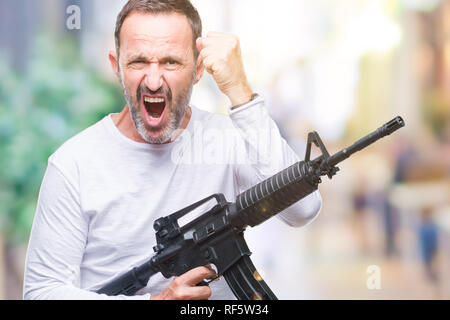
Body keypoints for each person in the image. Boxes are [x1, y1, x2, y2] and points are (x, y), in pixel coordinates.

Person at [23, 0, 322, 300]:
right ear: (116, 67)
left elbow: (303, 209)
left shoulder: (227, 140)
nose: (153, 81)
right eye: (139, 61)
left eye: (171, 62)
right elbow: (41, 293)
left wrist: (240, 92)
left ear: (198, 69)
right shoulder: (73, 164)